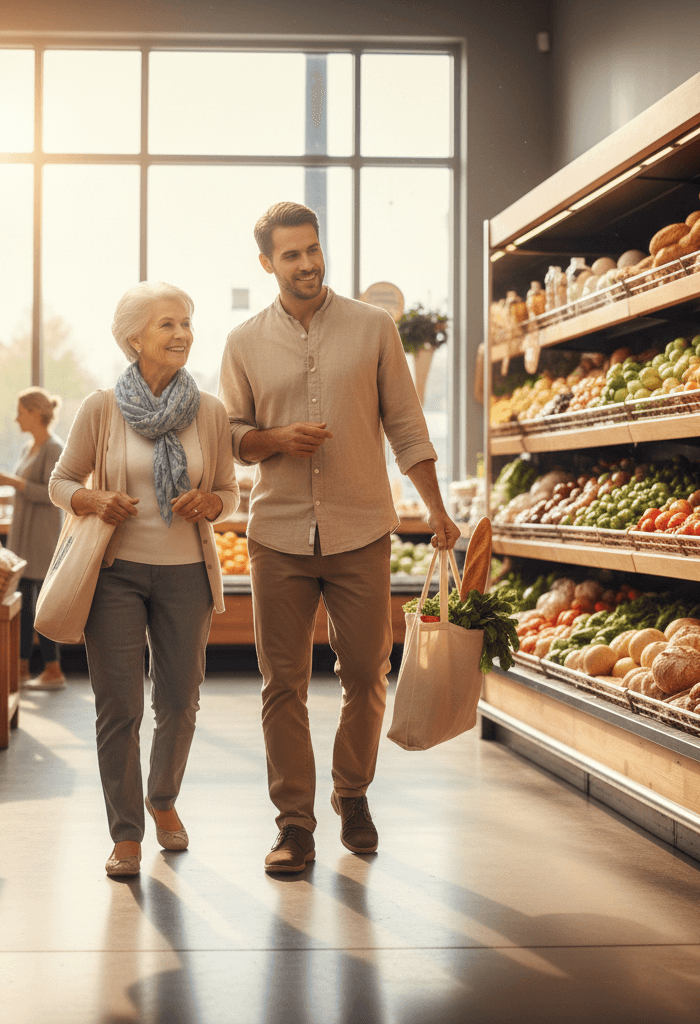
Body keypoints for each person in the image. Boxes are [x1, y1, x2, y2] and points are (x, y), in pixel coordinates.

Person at [218, 201, 460, 875]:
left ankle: (351, 793)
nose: (307, 263)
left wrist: (437, 509)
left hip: (361, 529)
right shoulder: (242, 342)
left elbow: (408, 429)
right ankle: (294, 824)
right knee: (282, 683)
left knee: (366, 673)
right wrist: (275, 440)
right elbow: (233, 438)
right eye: (290, 254)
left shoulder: (373, 328)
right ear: (267, 263)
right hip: (278, 533)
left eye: (313, 249)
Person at [49, 281, 239, 878]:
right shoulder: (100, 408)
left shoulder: (209, 411)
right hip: (115, 575)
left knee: (180, 701)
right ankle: (126, 832)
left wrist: (211, 504)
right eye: (167, 324)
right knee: (119, 705)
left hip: (187, 573)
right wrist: (93, 498)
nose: (182, 333)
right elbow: (60, 482)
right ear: (134, 337)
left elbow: (231, 493)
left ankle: (163, 799)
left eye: (186, 322)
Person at [0, 387, 66, 691]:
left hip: (43, 538)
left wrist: (11, 481)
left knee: (41, 606)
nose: (16, 419)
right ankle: (20, 668)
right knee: (23, 604)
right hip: (23, 536)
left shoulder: (54, 449)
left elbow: (53, 494)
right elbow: (25, 493)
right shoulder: (27, 448)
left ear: (34, 413)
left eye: (20, 412)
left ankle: (53, 670)